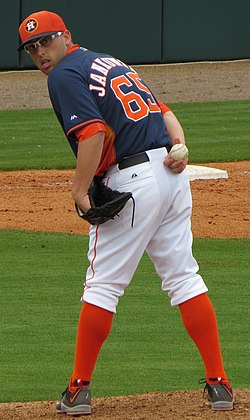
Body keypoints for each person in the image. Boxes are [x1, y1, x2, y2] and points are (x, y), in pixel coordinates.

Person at [18, 10, 234, 415]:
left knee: (102, 285)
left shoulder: (65, 75)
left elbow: (93, 132)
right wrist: (179, 145)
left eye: (46, 41)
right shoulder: (109, 61)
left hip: (133, 181)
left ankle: (78, 390)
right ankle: (219, 383)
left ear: (66, 36)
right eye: (32, 48)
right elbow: (162, 110)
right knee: (184, 277)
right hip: (171, 177)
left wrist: (80, 189)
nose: (41, 53)